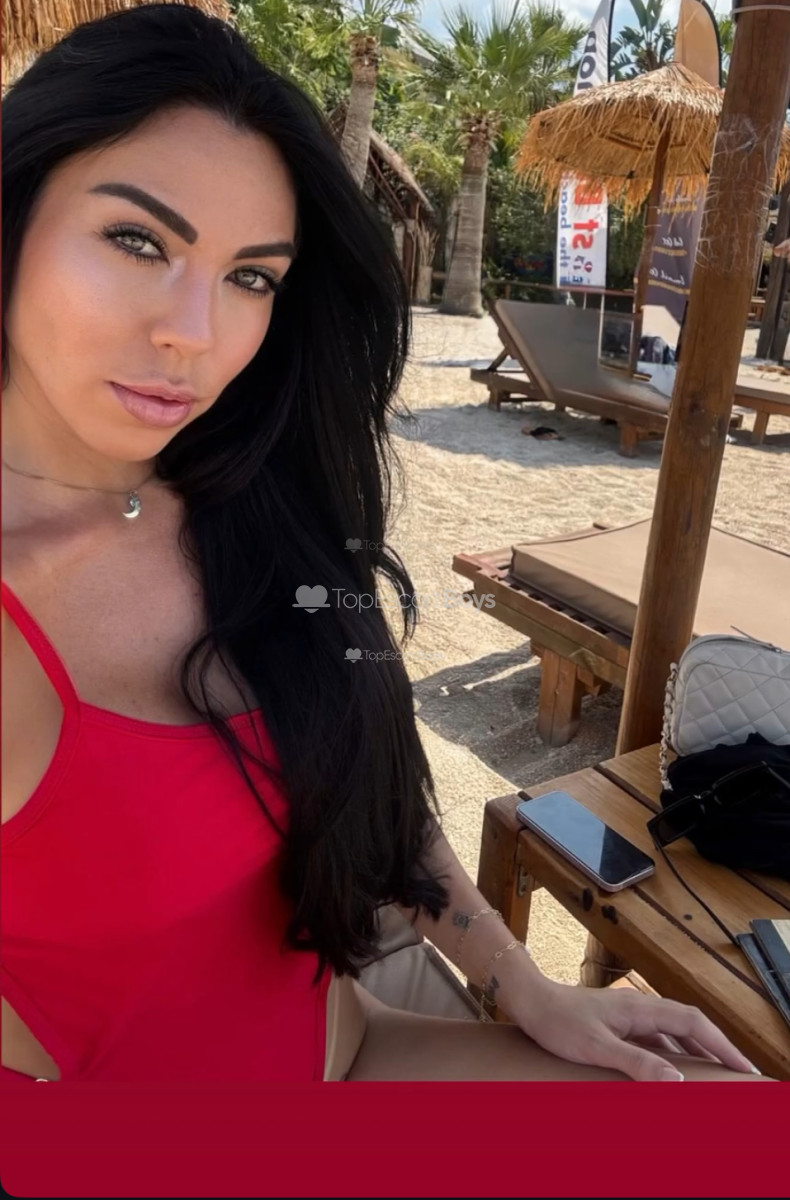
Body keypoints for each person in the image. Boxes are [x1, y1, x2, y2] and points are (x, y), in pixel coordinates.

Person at [1, 4, 774, 1086]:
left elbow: (369, 780)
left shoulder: (249, 503)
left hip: (355, 1048)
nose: (194, 333)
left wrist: (523, 986)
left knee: (732, 1112)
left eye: (251, 276)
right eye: (138, 241)